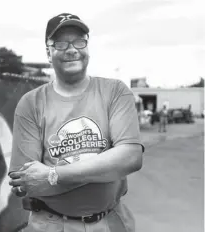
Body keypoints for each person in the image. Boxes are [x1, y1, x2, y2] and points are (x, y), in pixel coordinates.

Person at [8, 13, 144, 232]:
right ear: (48, 53)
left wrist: (52, 175)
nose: (72, 49)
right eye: (61, 43)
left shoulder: (115, 92)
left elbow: (131, 158)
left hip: (109, 222)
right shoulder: (31, 103)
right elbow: (26, 184)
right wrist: (105, 164)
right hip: (49, 224)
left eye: (79, 41)